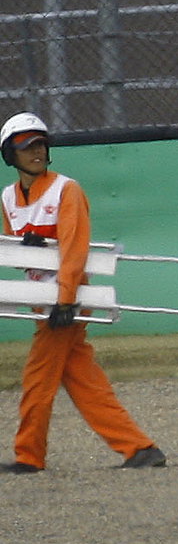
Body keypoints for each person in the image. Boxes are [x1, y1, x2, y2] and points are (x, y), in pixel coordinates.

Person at [0, 112, 165, 475]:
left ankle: (29, 456)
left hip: (66, 300)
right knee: (82, 379)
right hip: (45, 300)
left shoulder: (66, 190)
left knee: (38, 377)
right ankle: (140, 448)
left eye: (41, 144)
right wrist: (31, 246)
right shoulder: (7, 198)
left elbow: (75, 247)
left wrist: (65, 299)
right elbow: (17, 255)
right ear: (9, 155)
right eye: (27, 147)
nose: (37, 151)